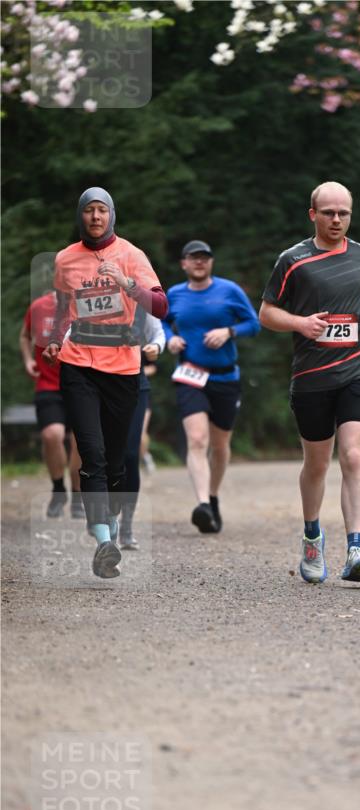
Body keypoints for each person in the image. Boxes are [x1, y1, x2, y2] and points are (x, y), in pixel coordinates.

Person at [259, 180, 360, 583]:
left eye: (343, 213)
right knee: (317, 464)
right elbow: (265, 313)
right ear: (313, 214)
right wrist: (300, 323)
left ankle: (356, 549)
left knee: (352, 455)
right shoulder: (292, 260)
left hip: (358, 371)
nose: (337, 219)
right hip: (312, 377)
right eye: (329, 212)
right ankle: (312, 537)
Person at [45, 187, 168, 579]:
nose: (95, 217)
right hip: (78, 365)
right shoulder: (65, 259)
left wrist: (127, 283)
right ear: (80, 216)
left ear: (111, 215)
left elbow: (162, 306)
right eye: (89, 211)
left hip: (122, 369)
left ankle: (109, 526)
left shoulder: (132, 255)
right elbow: (64, 309)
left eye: (102, 210)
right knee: (92, 452)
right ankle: (102, 541)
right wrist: (53, 340)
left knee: (116, 460)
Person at [163, 240, 260, 533]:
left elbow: (254, 323)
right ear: (184, 263)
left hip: (225, 377)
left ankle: (213, 496)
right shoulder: (174, 294)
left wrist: (228, 331)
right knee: (196, 439)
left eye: (204, 258)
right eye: (193, 258)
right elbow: (162, 323)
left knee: (219, 446)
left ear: (211, 263)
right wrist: (170, 338)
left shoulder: (229, 291)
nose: (199, 262)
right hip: (190, 375)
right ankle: (202, 504)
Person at [19, 288, 83, 518]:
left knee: (80, 442)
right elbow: (25, 335)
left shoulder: (86, 304)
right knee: (51, 435)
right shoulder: (39, 306)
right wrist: (28, 360)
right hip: (48, 385)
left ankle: (78, 494)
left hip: (81, 386)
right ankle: (58, 490)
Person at [118, 308, 165, 549]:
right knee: (103, 454)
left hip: (136, 384)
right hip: (99, 384)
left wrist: (156, 347)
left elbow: (158, 333)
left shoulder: (140, 301)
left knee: (130, 454)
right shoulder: (92, 295)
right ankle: (104, 518)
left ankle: (126, 526)